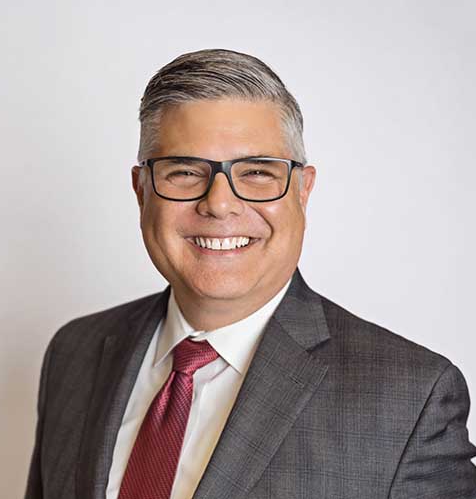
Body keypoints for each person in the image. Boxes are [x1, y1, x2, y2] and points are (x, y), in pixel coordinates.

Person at [24, 49, 476, 499]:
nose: (219, 204)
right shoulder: (74, 353)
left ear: (303, 190)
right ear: (142, 191)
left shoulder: (411, 397)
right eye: (184, 171)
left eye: (257, 172)